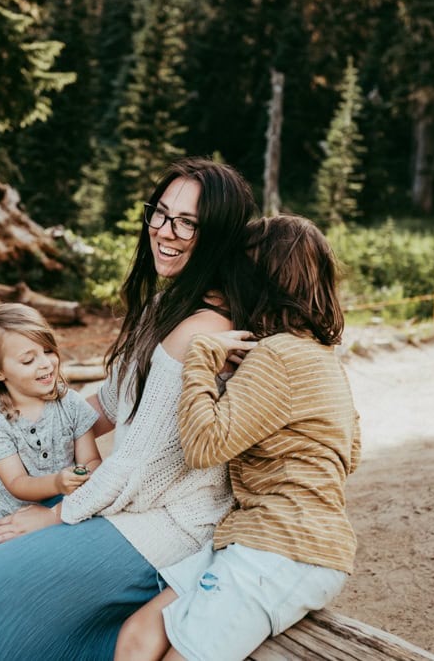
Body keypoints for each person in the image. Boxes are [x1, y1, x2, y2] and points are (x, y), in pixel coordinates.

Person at [0, 156, 259, 660]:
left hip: (170, 523)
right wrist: (29, 431)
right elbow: (110, 399)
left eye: (187, 222)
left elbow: (140, 469)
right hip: (130, 502)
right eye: (160, 213)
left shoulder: (203, 329)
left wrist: (57, 514)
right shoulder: (165, 306)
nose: (164, 231)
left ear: (218, 234)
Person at [114, 214, 362, 661]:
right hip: (256, 537)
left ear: (258, 278)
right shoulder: (324, 359)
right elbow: (352, 450)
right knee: (138, 634)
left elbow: (203, 447)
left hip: (284, 547)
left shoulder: (276, 356)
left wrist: (202, 359)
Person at [0, 302, 102, 537]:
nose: (46, 363)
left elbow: (92, 460)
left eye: (47, 350)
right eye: (29, 360)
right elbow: (16, 482)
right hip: (14, 520)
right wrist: (56, 483)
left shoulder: (70, 403)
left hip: (67, 511)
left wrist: (81, 476)